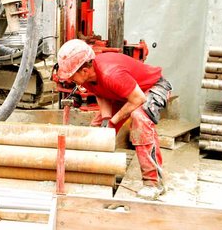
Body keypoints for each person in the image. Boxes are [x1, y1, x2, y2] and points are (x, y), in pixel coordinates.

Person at [57, 39, 172, 200]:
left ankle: (153, 183)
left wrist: (113, 121)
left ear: (83, 70)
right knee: (97, 129)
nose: (69, 80)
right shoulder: (88, 75)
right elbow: (100, 92)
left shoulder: (111, 73)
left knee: (140, 119)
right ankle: (97, 173)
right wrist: (106, 119)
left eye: (71, 75)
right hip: (124, 93)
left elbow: (138, 99)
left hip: (151, 88)